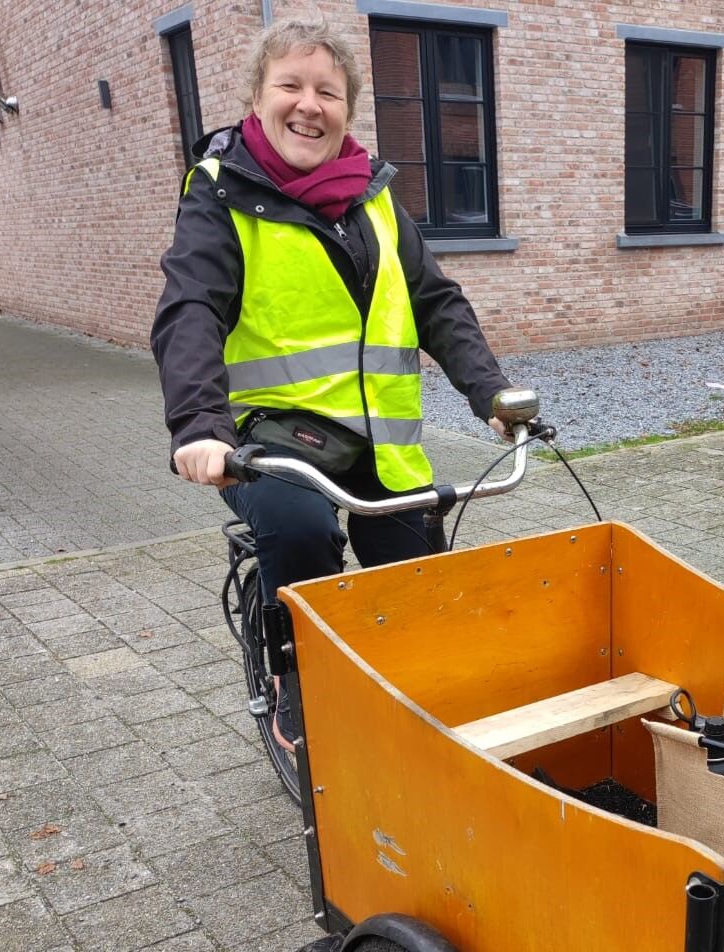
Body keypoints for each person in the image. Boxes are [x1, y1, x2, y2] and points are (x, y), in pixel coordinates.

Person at [151, 16, 512, 752]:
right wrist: (198, 427)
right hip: (270, 441)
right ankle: (294, 676)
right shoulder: (220, 194)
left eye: (328, 91)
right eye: (290, 85)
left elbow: (435, 301)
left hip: (381, 447)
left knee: (416, 584)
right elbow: (190, 310)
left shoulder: (374, 195)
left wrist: (492, 393)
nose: (308, 105)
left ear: (347, 109)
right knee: (302, 531)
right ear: (257, 97)